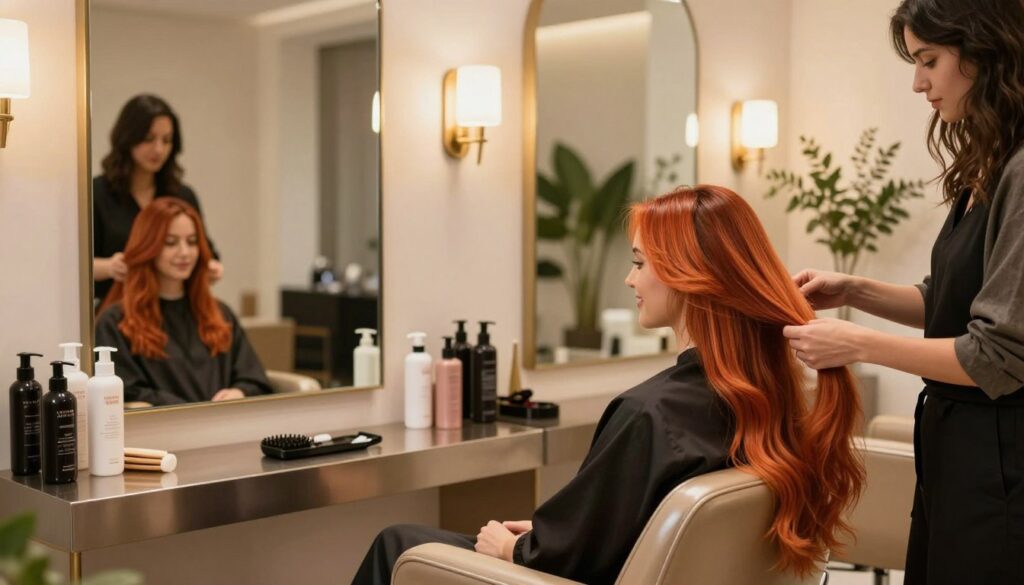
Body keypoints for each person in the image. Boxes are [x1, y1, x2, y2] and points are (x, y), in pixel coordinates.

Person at [350, 186, 864, 585]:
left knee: (399, 543)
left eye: (639, 263)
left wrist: (514, 549)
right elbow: (612, 533)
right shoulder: (768, 394)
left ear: (688, 276)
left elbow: (563, 562)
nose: (629, 279)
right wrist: (550, 535)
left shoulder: (652, 414)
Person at [782, 0, 1024, 582]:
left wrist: (857, 344)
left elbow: (997, 353)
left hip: (1001, 458)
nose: (918, 83)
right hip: (954, 446)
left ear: (985, 51)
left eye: (929, 61)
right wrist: (854, 289)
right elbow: (949, 303)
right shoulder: (989, 163)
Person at [95, 198, 271, 406]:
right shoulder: (116, 322)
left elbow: (253, 377)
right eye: (171, 243)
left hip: (225, 422)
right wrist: (187, 411)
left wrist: (239, 392)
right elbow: (126, 392)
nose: (185, 253)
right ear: (147, 248)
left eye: (192, 242)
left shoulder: (220, 314)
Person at [93, 94, 222, 307]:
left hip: (173, 311)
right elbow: (77, 266)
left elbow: (206, 253)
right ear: (127, 138)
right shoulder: (97, 194)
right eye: (148, 139)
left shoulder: (182, 196)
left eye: (166, 140)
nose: (159, 149)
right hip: (118, 308)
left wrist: (212, 268)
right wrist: (109, 267)